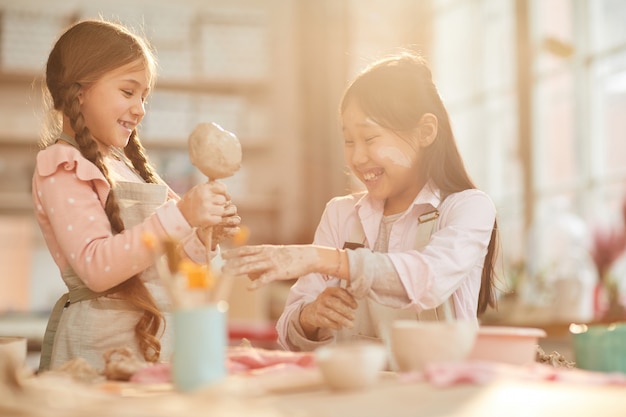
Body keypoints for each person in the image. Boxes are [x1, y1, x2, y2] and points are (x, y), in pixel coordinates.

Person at [222, 50, 499, 352]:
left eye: (369, 139)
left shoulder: (468, 208)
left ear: (425, 132)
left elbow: (428, 280)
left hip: (437, 394)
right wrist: (310, 317)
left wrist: (321, 258)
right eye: (349, 141)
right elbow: (290, 332)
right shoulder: (341, 214)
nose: (357, 157)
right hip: (354, 394)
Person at [32, 19, 241, 371]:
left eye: (144, 97)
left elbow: (163, 263)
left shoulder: (127, 167)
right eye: (128, 92)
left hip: (154, 343)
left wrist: (204, 236)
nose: (140, 108)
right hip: (98, 351)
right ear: (79, 91)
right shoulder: (63, 165)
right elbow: (98, 268)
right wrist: (183, 215)